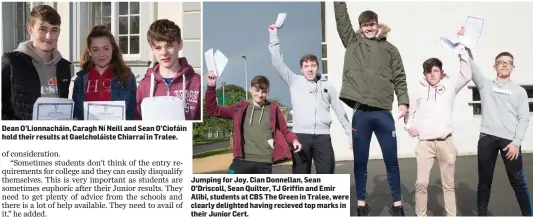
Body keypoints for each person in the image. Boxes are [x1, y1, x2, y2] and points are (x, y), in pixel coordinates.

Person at [334, 2, 410, 216]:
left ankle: (397, 205)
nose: (368, 28)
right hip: (361, 113)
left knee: (391, 161)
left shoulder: (390, 50)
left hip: (383, 112)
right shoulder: (352, 42)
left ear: (378, 25)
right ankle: (361, 204)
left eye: (371, 24)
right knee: (360, 162)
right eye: (364, 25)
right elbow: (342, 22)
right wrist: (339, 3)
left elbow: (400, 78)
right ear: (360, 27)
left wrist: (403, 101)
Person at [458, 26, 532, 216]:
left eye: (508, 63)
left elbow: (524, 118)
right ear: (495, 67)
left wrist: (516, 143)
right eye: (501, 62)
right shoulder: (485, 85)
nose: (505, 65)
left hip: (510, 142)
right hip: (487, 139)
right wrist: (463, 43)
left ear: (513, 67)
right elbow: (472, 65)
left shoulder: (519, 91)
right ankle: (481, 214)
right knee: (484, 182)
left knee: (518, 182)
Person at [268, 24, 352, 174]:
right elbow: (277, 63)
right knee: (301, 178)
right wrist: (274, 37)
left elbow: (340, 112)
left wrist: (350, 135)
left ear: (317, 67)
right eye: (306, 66)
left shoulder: (327, 86)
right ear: (301, 69)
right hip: (300, 137)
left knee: (327, 175)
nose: (310, 69)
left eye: (313, 65)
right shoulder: (294, 81)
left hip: (323, 137)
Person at [404, 50, 472, 215]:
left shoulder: (449, 87)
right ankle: (421, 214)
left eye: (435, 70)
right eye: (429, 71)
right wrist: (409, 126)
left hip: (445, 142)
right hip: (425, 144)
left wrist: (462, 52)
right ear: (424, 74)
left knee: (448, 185)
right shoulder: (417, 92)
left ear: (442, 72)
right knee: (421, 183)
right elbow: (409, 113)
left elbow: (466, 75)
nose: (432, 74)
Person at [205, 71, 303, 174]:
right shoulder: (239, 108)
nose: (260, 95)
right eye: (257, 90)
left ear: (268, 91)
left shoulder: (273, 109)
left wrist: (294, 140)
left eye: (264, 91)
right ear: (250, 89)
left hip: (264, 163)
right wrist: (211, 87)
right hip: (241, 160)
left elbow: (285, 131)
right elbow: (212, 110)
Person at [1, 5, 73, 120]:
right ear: (30, 29)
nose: (49, 36)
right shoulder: (11, 62)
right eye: (43, 29)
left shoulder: (64, 66)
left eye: (54, 30)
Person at [135, 19, 201, 120]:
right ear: (152, 49)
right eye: (158, 48)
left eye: (169, 46)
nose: (164, 52)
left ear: (180, 45)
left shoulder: (197, 83)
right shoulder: (144, 86)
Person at [72, 25, 137, 120]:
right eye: (95, 49)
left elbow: (132, 114)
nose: (101, 54)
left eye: (106, 48)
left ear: (113, 49)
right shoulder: (80, 81)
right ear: (89, 51)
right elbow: (76, 115)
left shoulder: (127, 78)